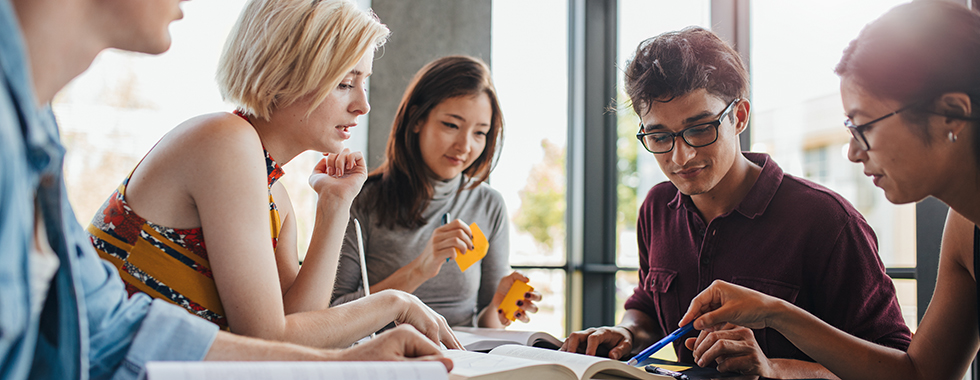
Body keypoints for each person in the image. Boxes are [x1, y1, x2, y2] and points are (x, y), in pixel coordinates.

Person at [0, 0, 453, 378]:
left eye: (363, 82)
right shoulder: (225, 142)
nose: (363, 104)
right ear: (284, 74)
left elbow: (297, 322)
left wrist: (335, 205)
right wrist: (393, 302)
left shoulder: (272, 189)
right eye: (344, 82)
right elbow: (266, 337)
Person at [560, 27, 911, 379]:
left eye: (699, 129)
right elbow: (647, 306)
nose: (681, 157)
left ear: (739, 116)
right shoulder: (657, 207)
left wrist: (774, 369)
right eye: (659, 136)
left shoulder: (828, 221)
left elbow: (895, 365)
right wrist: (627, 333)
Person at [680, 2, 980, 379]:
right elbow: (920, 373)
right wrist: (774, 311)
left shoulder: (829, 218)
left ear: (951, 114)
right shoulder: (966, 228)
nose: (853, 152)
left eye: (862, 127)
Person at [331, 55, 542, 328]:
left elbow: (489, 328)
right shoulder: (362, 199)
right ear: (417, 119)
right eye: (451, 125)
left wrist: (497, 309)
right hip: (388, 361)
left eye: (480, 133)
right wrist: (419, 269)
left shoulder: (489, 204)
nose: (464, 146)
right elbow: (330, 314)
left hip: (464, 363)